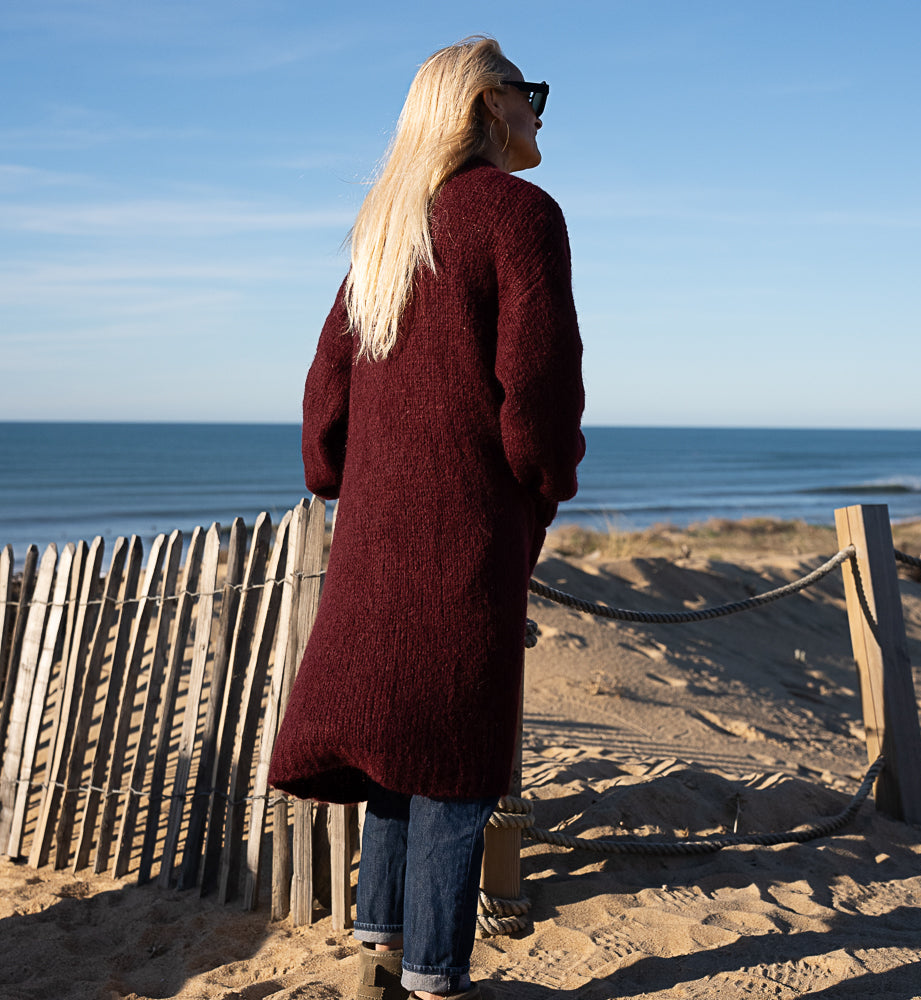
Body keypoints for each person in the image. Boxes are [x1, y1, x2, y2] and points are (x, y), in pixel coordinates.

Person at [269, 36, 585, 1000]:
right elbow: (536, 390)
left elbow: (326, 397)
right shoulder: (522, 215)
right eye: (530, 93)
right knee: (454, 759)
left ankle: (376, 952)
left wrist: (343, 483)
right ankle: (438, 979)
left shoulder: (386, 225)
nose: (540, 110)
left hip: (375, 532)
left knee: (399, 744)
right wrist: (541, 487)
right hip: (466, 530)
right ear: (490, 106)